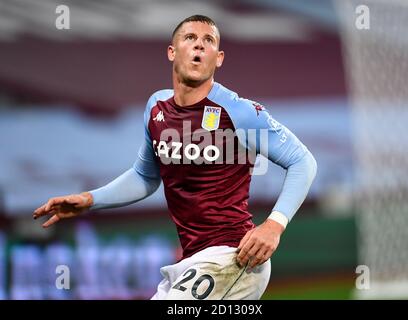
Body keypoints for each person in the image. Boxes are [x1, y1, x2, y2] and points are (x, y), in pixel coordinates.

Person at [33, 15, 317, 300]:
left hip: (233, 256)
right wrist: (90, 200)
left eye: (208, 41)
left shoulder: (238, 111)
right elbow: (146, 176)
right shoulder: (156, 108)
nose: (199, 46)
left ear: (218, 59)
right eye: (190, 38)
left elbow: (303, 161)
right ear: (172, 51)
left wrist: (274, 225)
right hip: (192, 260)